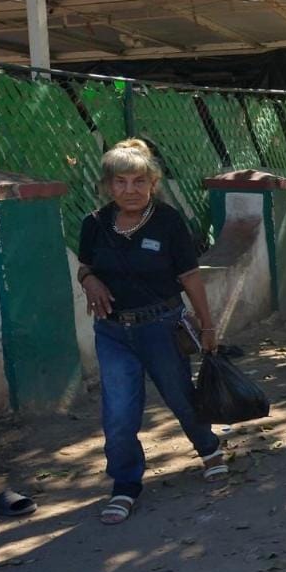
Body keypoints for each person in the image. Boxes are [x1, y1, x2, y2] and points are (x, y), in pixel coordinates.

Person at [77, 138, 227, 525]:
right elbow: (85, 265)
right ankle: (125, 485)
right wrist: (89, 279)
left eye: (138, 182)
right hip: (112, 333)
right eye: (121, 182)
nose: (130, 190)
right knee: (119, 414)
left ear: (153, 183)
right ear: (108, 185)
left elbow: (190, 276)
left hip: (161, 326)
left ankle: (209, 448)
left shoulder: (168, 221)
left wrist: (207, 324)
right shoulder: (94, 224)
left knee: (180, 396)